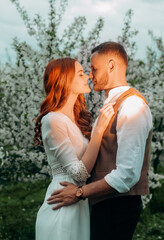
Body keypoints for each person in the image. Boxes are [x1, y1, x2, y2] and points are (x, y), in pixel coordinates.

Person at [47, 42, 153, 240]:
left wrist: (80, 192)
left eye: (94, 69)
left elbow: (127, 175)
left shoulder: (132, 107)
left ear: (111, 66)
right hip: (105, 205)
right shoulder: (112, 104)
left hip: (117, 207)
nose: (90, 75)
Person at [34, 57, 115, 240]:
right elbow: (78, 174)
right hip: (61, 205)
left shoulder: (78, 120)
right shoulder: (52, 120)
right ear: (64, 80)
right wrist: (99, 131)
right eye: (80, 73)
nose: (87, 76)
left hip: (79, 202)